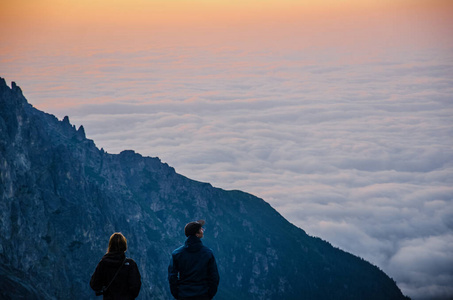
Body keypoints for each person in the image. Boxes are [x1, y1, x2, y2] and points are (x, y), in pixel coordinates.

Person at [168, 220, 220, 300]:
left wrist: (177, 294)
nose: (203, 230)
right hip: (203, 295)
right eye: (201, 229)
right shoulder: (208, 253)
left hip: (183, 295)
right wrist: (209, 294)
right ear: (197, 234)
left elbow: (172, 277)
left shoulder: (177, 253)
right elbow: (214, 277)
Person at [90, 232, 141, 299]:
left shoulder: (103, 263)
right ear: (124, 246)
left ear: (110, 246)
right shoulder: (130, 264)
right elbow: (135, 287)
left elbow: (94, 284)